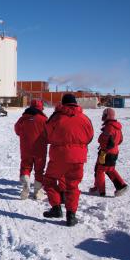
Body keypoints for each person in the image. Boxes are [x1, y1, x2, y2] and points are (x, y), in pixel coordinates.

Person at [42, 94, 94, 226]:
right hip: (78, 158)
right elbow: (90, 137)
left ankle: (56, 208)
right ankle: (71, 216)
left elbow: (47, 134)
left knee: (49, 180)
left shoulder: (57, 117)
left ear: (63, 104)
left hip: (59, 156)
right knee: (73, 185)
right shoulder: (84, 118)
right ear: (75, 103)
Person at [89, 108, 128, 197]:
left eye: (104, 115)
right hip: (114, 152)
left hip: (106, 152)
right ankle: (121, 186)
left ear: (108, 116)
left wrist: (101, 140)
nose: (102, 116)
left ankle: (101, 191)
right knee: (110, 170)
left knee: (99, 170)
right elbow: (120, 140)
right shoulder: (117, 127)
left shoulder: (109, 127)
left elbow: (103, 140)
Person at [14, 99, 48, 200]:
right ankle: (37, 192)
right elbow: (49, 134)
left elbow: (17, 130)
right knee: (39, 170)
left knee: (25, 166)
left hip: (26, 148)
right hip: (40, 149)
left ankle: (25, 182)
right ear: (41, 108)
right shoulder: (44, 119)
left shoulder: (23, 119)